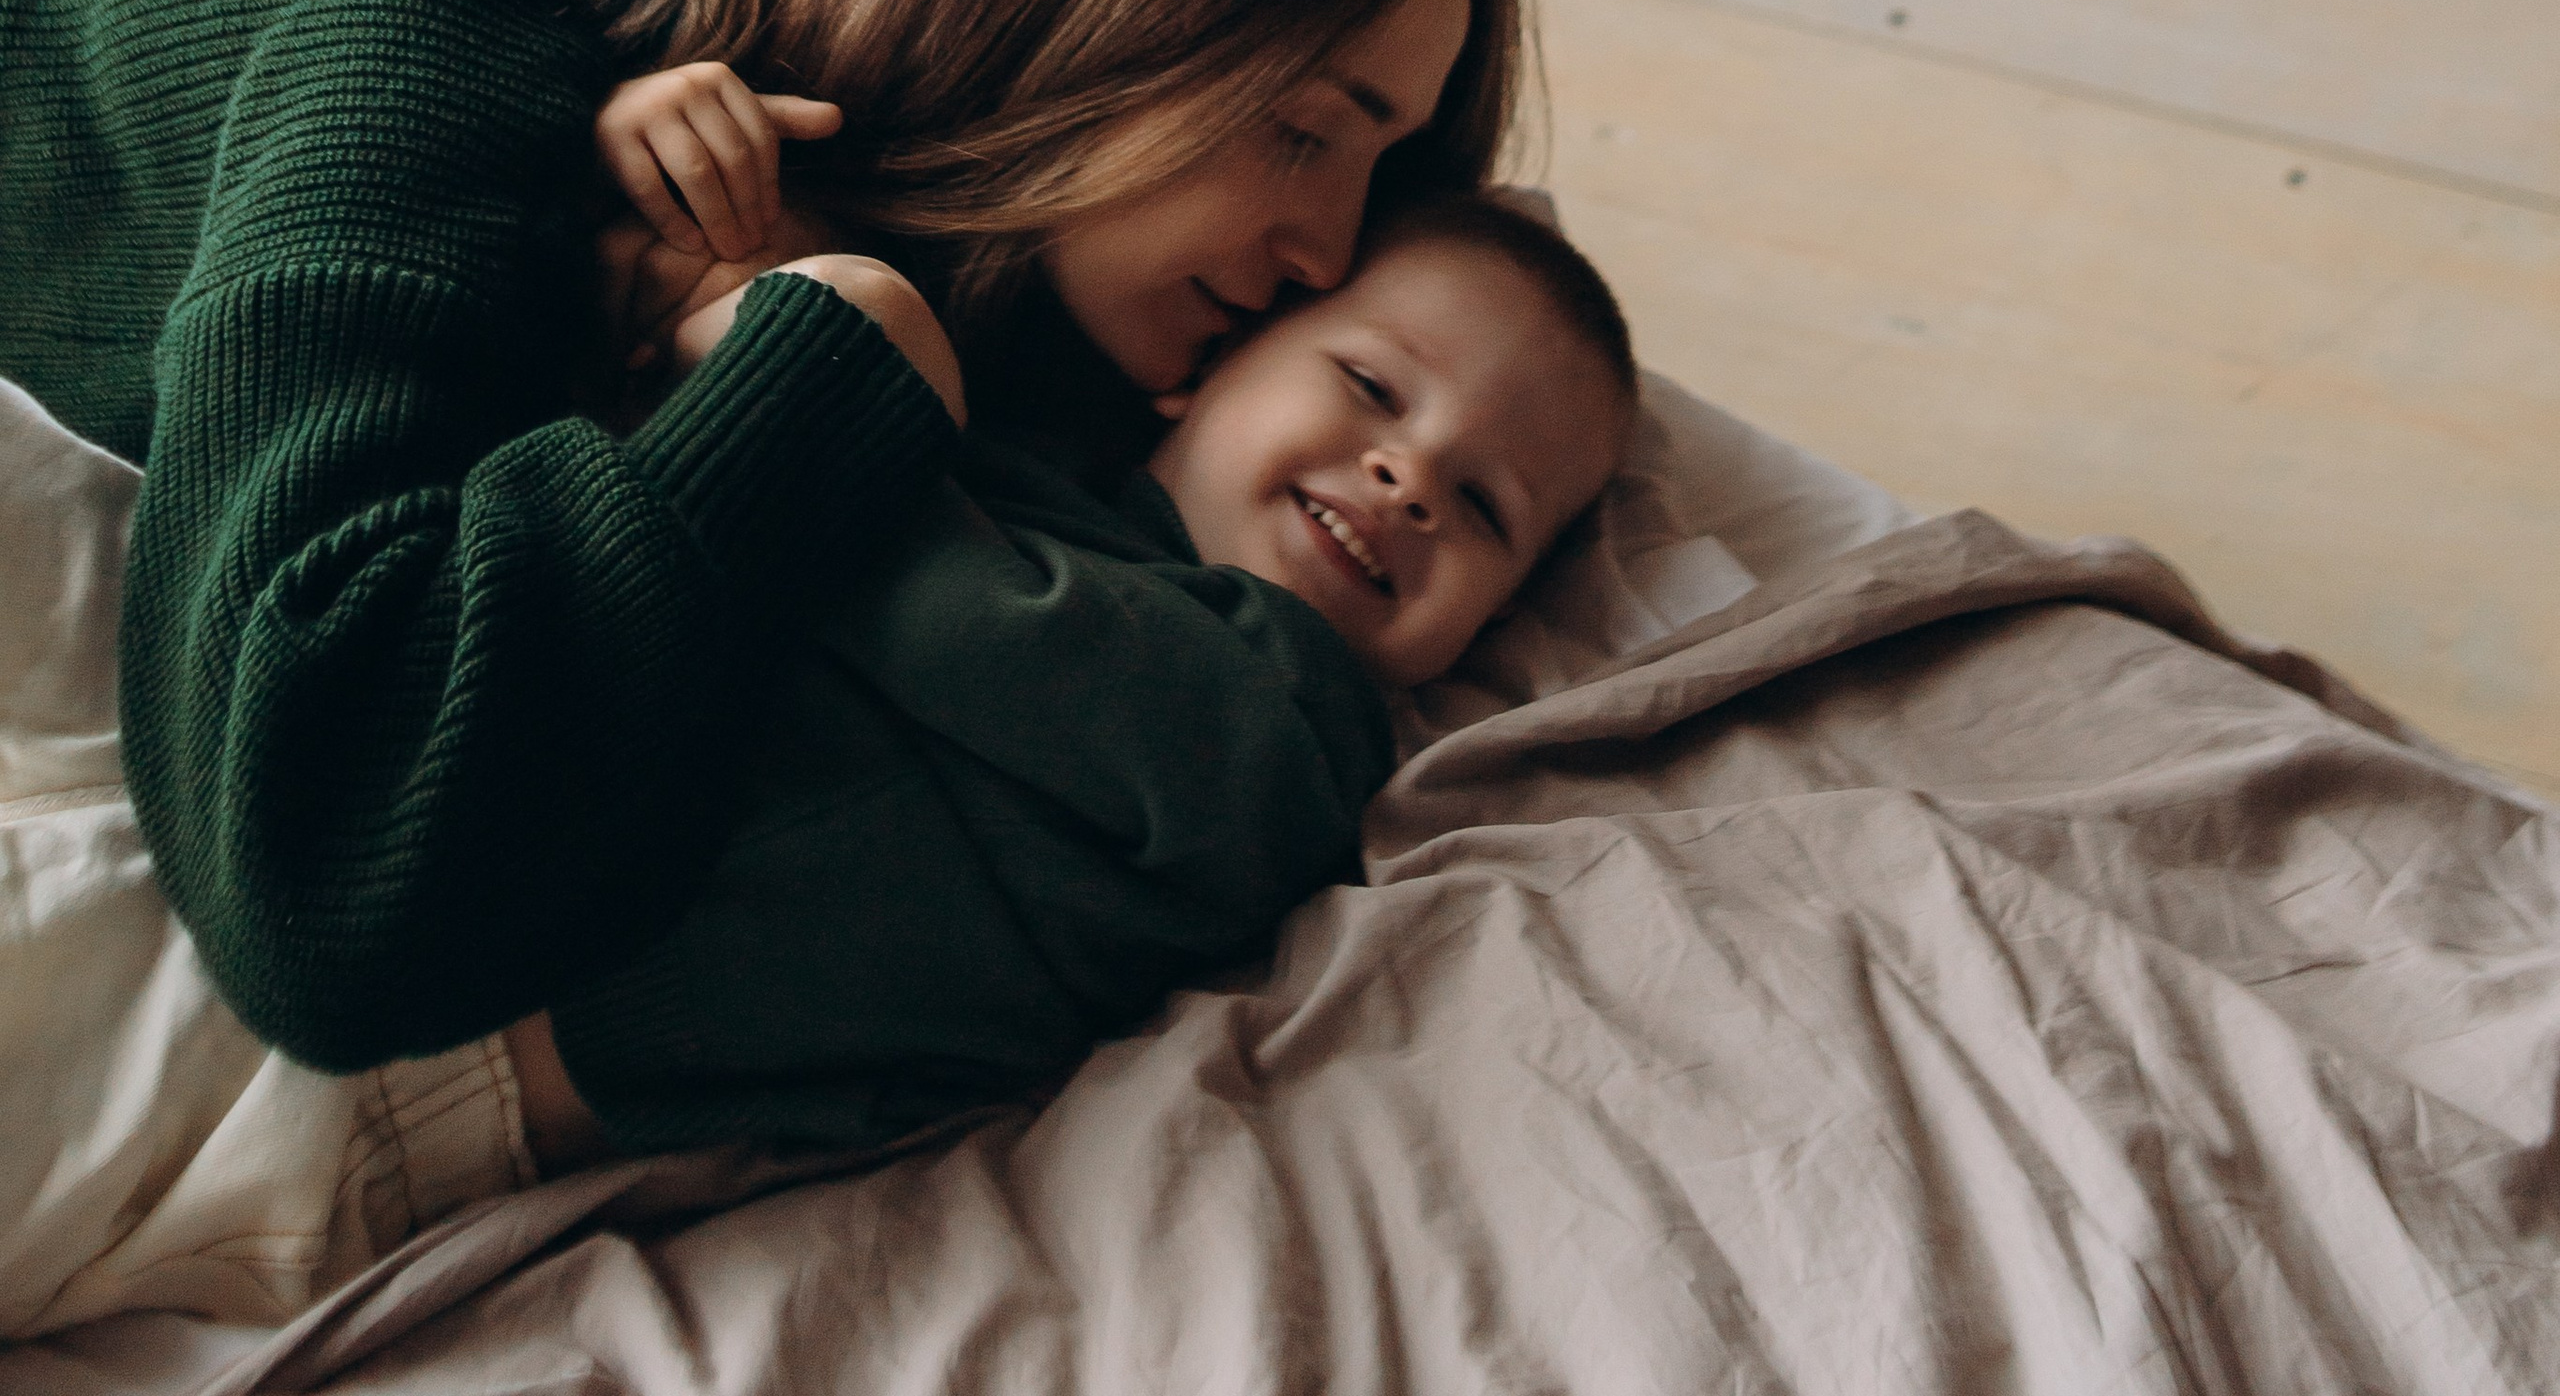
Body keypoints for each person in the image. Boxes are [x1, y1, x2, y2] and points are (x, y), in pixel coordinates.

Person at [0, 0, 1521, 1075]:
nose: (1331, 249)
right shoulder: (461, 16)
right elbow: (322, 905)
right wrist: (817, 360)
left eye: (1374, 173)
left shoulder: (1005, 275)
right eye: (1303, 130)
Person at [0, 201, 1633, 1334]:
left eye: (1488, 505)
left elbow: (957, 617)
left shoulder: (1281, 723)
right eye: (1370, 386)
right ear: (1206, 363)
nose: (1410, 472)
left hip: (411, 1052)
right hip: (375, 754)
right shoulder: (1023, 465)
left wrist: (800, 383)